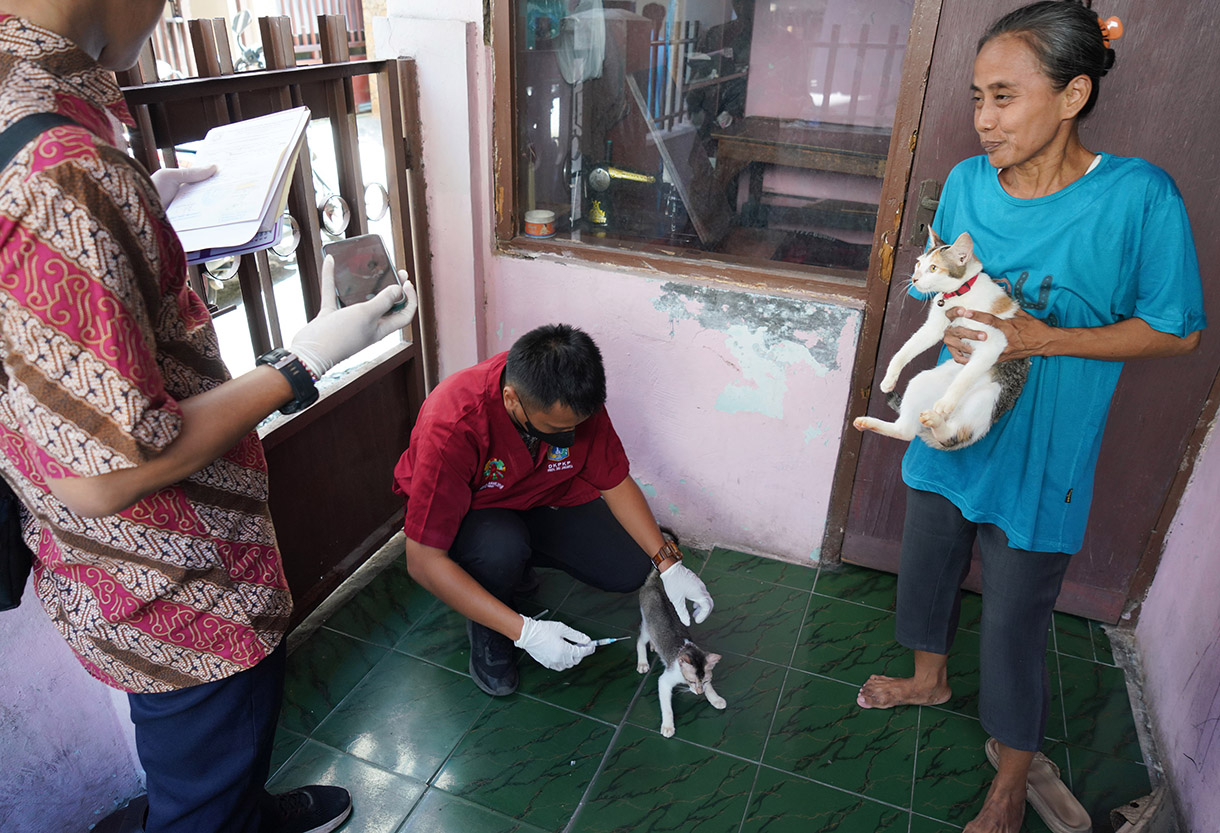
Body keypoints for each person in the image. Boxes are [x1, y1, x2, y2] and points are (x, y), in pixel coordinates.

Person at [0, 2, 417, 832]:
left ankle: (239, 809)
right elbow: (101, 474)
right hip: (175, 586)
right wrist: (303, 359)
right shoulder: (61, 171)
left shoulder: (32, 108)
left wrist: (138, 209)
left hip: (104, 574)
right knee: (206, 775)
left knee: (212, 763)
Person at [854, 2, 1205, 832]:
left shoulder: (1138, 196)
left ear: (1074, 93)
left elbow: (1176, 331)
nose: (982, 119)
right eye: (977, 97)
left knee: (1015, 616)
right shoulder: (970, 183)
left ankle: (1011, 773)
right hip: (952, 425)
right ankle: (929, 675)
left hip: (1042, 457)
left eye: (1004, 97)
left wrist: (1044, 337)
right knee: (929, 561)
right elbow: (931, 285)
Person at [394, 324, 713, 696]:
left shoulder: (574, 399)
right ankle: (492, 625)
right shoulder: (452, 422)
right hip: (476, 515)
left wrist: (669, 565)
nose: (570, 437)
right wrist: (524, 632)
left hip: (542, 498)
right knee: (499, 549)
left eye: (577, 426)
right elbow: (422, 560)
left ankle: (515, 568)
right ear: (512, 400)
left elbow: (614, 481)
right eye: (557, 429)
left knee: (628, 565)